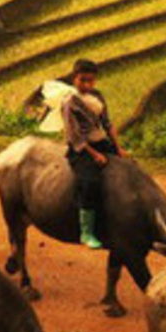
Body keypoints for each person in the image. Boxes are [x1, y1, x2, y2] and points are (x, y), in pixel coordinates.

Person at [61, 58, 124, 250]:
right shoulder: (69, 102)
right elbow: (74, 136)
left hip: (101, 141)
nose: (87, 85)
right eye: (83, 80)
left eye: (90, 80)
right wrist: (94, 154)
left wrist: (118, 147)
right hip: (82, 149)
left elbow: (107, 123)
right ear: (74, 79)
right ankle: (86, 232)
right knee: (90, 182)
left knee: (128, 168)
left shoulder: (97, 96)